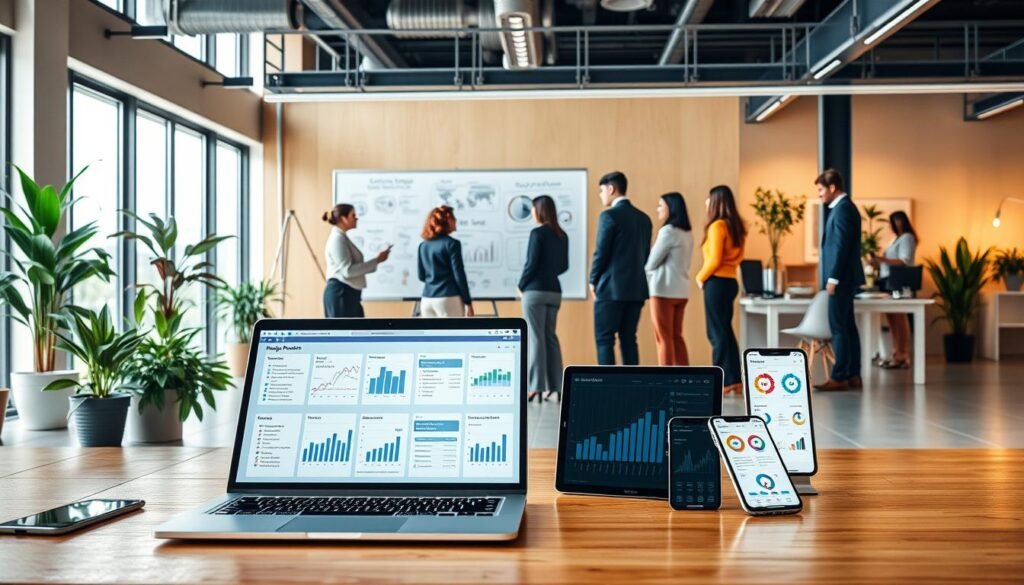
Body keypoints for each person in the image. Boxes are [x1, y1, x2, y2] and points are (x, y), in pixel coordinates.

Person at [589, 171, 653, 366]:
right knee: (629, 340)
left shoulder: (609, 216)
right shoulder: (644, 218)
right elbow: (645, 255)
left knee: (605, 340)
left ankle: (608, 389)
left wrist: (593, 279)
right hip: (636, 290)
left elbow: (601, 252)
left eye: (601, 191)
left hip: (610, 289)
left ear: (611, 189)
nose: (601, 195)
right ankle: (633, 388)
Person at [814, 168, 865, 391]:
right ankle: (853, 375)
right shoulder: (843, 208)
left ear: (832, 188)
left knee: (839, 328)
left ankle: (840, 376)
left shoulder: (843, 209)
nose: (819, 195)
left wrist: (833, 278)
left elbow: (841, 248)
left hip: (841, 278)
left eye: (820, 190)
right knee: (847, 327)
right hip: (845, 278)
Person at [695, 185, 746, 395]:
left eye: (708, 198)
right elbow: (739, 257)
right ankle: (734, 379)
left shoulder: (717, 226)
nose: (706, 202)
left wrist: (700, 277)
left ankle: (720, 380)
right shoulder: (737, 226)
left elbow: (715, 259)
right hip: (731, 281)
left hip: (715, 282)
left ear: (716, 201)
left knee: (716, 333)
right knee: (725, 331)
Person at [518, 195, 569, 402]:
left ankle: (535, 387)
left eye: (532, 209)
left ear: (539, 210)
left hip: (535, 291)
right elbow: (564, 266)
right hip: (554, 291)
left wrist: (521, 285)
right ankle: (555, 387)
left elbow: (531, 263)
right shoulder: (561, 235)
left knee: (536, 337)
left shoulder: (537, 233)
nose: (531, 213)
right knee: (550, 337)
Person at [645, 192, 694, 366]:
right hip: (681, 290)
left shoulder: (668, 231)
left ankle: (664, 380)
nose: (658, 209)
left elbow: (651, 263)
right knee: (676, 336)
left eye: (661, 205)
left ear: (670, 208)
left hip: (663, 290)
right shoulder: (687, 233)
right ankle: (685, 379)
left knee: (663, 337)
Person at [322, 203, 390, 318]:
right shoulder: (337, 239)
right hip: (341, 294)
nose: (356, 218)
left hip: (350, 294)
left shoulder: (342, 237)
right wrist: (377, 260)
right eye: (353, 215)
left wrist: (377, 261)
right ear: (344, 218)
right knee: (343, 334)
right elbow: (347, 271)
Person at [872, 211, 918, 369]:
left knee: (899, 316)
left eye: (898, 220)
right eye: (893, 221)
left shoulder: (907, 238)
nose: (896, 224)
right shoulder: (895, 239)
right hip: (888, 280)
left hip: (899, 281)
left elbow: (904, 261)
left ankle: (903, 353)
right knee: (892, 316)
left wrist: (882, 259)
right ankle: (896, 351)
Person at [418, 205, 474, 317]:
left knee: (430, 335)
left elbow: (421, 276)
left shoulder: (423, 245)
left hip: (427, 299)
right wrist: (468, 301)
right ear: (447, 221)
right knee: (453, 334)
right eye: (453, 218)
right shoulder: (452, 244)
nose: (456, 221)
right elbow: (459, 275)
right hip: (449, 299)